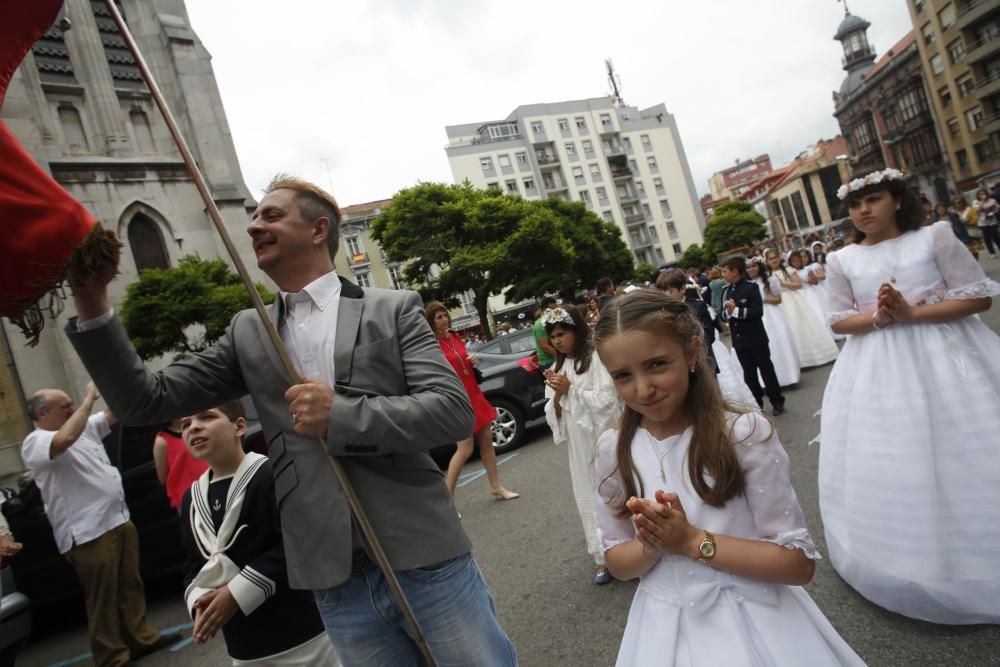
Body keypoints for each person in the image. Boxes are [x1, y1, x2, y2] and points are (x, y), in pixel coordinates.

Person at [66, 175, 517, 665]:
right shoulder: (248, 332)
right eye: (253, 218)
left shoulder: (393, 309)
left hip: (424, 556)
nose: (255, 225)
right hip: (334, 579)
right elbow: (145, 402)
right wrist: (92, 301)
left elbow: (451, 411)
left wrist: (340, 416)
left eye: (271, 215)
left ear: (319, 228)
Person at [590, 290, 864, 666]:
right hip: (662, 628)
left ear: (691, 352)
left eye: (656, 365)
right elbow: (619, 563)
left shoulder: (743, 435)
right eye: (623, 375)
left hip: (756, 617)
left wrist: (691, 541)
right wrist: (652, 544)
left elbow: (798, 564)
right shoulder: (613, 449)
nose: (642, 388)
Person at [821, 168, 1000, 624]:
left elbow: (978, 298)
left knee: (965, 447)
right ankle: (913, 561)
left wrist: (913, 312)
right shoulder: (842, 260)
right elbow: (839, 320)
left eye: (874, 199)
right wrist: (881, 318)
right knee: (898, 454)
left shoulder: (935, 236)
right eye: (856, 205)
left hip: (949, 355)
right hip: (879, 367)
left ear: (897, 199)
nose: (864, 211)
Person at [21, 384, 179, 667]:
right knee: (103, 596)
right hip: (87, 531)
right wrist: (86, 400)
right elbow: (64, 439)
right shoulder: (36, 441)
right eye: (64, 406)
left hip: (116, 519)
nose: (72, 409)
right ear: (42, 413)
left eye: (72, 404)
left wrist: (114, 383)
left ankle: (140, 638)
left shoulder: (84, 428)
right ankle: (111, 656)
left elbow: (112, 415)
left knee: (130, 585)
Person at [179, 401, 338, 665]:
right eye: (185, 424)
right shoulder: (191, 499)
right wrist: (200, 605)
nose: (194, 427)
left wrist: (236, 594)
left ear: (239, 427)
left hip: (301, 635)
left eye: (206, 417)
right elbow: (192, 565)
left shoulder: (272, 474)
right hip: (244, 647)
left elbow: (296, 544)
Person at [542, 305, 619, 585]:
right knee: (588, 492)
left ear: (576, 331)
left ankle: (632, 547)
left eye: (562, 333)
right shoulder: (557, 367)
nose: (557, 341)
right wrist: (559, 397)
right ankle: (603, 556)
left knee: (613, 488)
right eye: (553, 336)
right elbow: (553, 410)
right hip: (578, 442)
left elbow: (609, 402)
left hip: (602, 438)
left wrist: (571, 390)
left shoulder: (597, 359)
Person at [426, 301, 519, 500]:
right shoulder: (432, 345)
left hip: (474, 393)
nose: (444, 320)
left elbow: (462, 360)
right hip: (458, 398)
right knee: (465, 448)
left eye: (445, 315)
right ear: (431, 322)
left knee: (487, 442)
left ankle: (496, 486)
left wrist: (471, 360)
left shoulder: (454, 336)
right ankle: (447, 498)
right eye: (439, 317)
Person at [656, 271, 758, 410]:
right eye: (662, 292)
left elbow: (708, 333)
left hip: (703, 356)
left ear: (682, 289)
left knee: (711, 392)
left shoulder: (697, 306)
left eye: (669, 291)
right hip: (680, 360)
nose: (665, 295)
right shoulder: (662, 312)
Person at [720, 257, 785, 416]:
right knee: (749, 376)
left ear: (735, 271)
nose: (723, 274)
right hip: (739, 341)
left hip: (756, 338)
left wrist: (735, 310)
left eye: (725, 271)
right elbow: (722, 315)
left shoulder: (751, 288)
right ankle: (757, 404)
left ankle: (777, 401)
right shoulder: (726, 290)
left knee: (766, 370)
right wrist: (728, 312)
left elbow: (757, 313)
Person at [764, 249, 839, 368]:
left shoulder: (788, 270)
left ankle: (813, 356)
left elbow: (798, 284)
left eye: (775, 257)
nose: (774, 260)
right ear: (767, 261)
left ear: (779, 258)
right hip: (778, 303)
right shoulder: (766, 276)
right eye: (771, 259)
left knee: (800, 325)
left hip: (792, 299)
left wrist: (783, 284)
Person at [747, 257, 800, 387]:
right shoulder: (746, 284)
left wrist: (761, 298)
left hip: (772, 314)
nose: (751, 269)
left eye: (754, 266)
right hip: (755, 316)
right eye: (748, 267)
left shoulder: (771, 280)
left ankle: (787, 375)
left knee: (778, 342)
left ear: (760, 266)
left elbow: (778, 299)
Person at [153, 417, 208, 511]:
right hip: (188, 498)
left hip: (211, 484)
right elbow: (162, 478)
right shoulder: (161, 441)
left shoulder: (197, 427)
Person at [533, 296, 558, 371]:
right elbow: (545, 346)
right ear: (544, 310)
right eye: (552, 310)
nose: (555, 311)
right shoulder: (540, 324)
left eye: (556, 308)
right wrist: (560, 358)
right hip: (549, 362)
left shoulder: (553, 319)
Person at [973, 188, 999, 257]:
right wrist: (982, 201)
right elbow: (977, 211)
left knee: (996, 236)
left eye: (984, 194)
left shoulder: (992, 200)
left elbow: (997, 208)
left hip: (992, 220)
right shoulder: (976, 202)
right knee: (987, 238)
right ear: (978, 195)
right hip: (983, 222)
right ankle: (992, 252)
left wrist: (995, 210)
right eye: (981, 194)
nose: (983, 195)